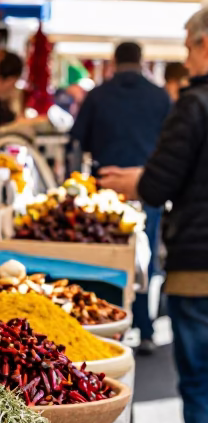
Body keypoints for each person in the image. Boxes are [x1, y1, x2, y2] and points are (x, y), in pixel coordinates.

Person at [98, 6, 208, 423]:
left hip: (200, 266)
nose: (186, 58)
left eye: (189, 46)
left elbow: (164, 180)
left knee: (200, 386)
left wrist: (135, 180)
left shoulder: (194, 102)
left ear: (204, 44)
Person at [71, 41, 172, 353]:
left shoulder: (97, 95)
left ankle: (102, 326)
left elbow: (77, 142)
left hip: (106, 189)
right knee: (145, 258)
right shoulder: (160, 97)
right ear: (141, 61)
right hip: (147, 187)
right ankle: (144, 328)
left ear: (114, 62)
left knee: (103, 257)